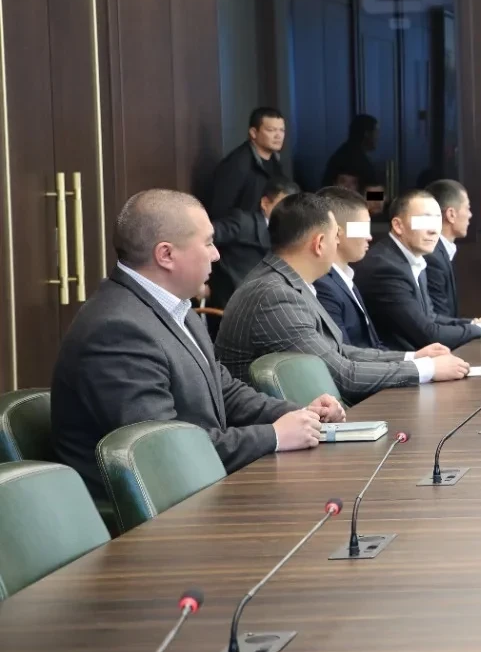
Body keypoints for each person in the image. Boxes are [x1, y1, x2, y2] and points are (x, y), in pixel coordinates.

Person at [50, 190, 343, 501]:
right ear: (166, 255)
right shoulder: (116, 330)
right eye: (208, 243)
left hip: (201, 481)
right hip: (156, 509)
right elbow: (165, 449)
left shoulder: (176, 307)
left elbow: (222, 390)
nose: (216, 254)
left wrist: (302, 414)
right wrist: (273, 436)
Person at [215, 192, 471, 404]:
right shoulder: (274, 294)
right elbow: (342, 375)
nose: (338, 244)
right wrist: (428, 370)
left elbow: (338, 351)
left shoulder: (288, 282)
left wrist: (413, 358)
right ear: (319, 243)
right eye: (336, 237)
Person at [355, 188, 481, 350]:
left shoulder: (414, 257)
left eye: (437, 221)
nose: (434, 230)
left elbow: (430, 317)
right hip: (395, 361)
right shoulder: (385, 268)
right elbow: (428, 335)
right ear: (398, 226)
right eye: (424, 221)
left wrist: (475, 322)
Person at [314, 186, 388, 348]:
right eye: (363, 228)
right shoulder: (323, 286)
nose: (369, 237)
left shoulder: (346, 277)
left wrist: (415, 358)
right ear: (337, 233)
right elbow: (344, 355)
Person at [209, 177, 297, 308]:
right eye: (283, 207)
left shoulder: (291, 237)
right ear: (265, 203)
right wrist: (202, 284)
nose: (288, 215)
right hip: (232, 303)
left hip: (270, 302)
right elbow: (203, 237)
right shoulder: (243, 223)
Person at [207, 106, 287, 220]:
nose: (278, 136)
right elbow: (220, 211)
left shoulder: (276, 161)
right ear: (253, 133)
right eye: (271, 130)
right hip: (245, 230)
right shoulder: (236, 163)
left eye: (282, 130)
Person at [425, 179, 471, 318]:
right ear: (451, 214)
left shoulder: (441, 251)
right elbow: (440, 317)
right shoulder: (432, 257)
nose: (470, 215)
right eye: (467, 208)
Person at [321, 114, 380, 191]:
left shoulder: (340, 155)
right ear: (367, 134)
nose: (377, 137)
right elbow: (373, 195)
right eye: (376, 132)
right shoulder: (360, 162)